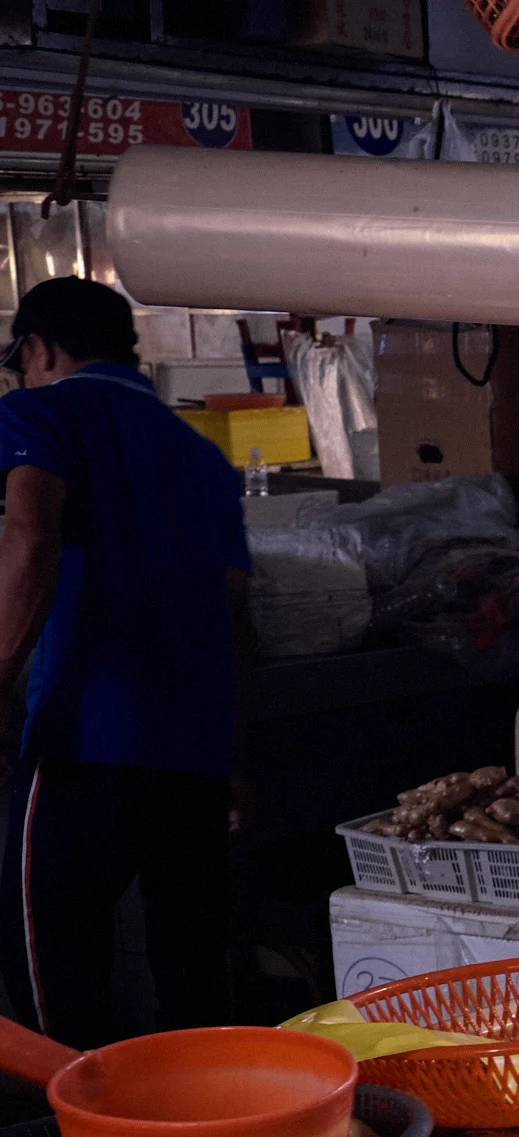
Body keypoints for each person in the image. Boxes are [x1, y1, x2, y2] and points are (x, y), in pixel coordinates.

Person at [0, 277, 249, 1048]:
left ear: (39, 349)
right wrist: (235, 755)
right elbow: (237, 607)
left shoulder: (37, 410)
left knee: (54, 974)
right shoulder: (200, 452)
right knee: (194, 976)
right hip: (196, 753)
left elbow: (30, 538)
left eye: (20, 361)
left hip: (87, 741)